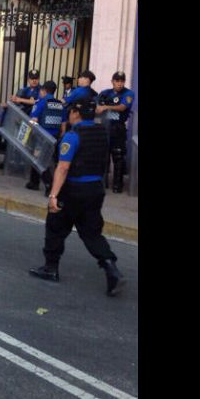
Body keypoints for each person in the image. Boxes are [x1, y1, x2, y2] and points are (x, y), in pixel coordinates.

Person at [29, 98, 125, 297]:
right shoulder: (102, 133)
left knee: (55, 226)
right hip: (96, 189)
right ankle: (110, 266)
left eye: (70, 111)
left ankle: (50, 268)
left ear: (75, 113)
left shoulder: (72, 136)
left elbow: (63, 168)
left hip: (74, 189)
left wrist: (53, 195)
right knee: (91, 233)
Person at [96, 71, 135, 193]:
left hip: (118, 128)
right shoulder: (105, 93)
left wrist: (106, 106)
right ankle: (103, 183)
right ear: (112, 81)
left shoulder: (128, 93)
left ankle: (117, 186)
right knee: (103, 156)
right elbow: (97, 106)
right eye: (117, 81)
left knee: (118, 157)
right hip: (105, 128)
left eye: (121, 81)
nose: (119, 83)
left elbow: (123, 107)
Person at [26, 81, 66, 194]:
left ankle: (49, 185)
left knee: (40, 160)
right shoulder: (60, 104)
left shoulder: (41, 102)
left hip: (42, 136)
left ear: (43, 90)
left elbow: (33, 119)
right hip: (55, 136)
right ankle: (33, 182)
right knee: (40, 159)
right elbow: (63, 123)